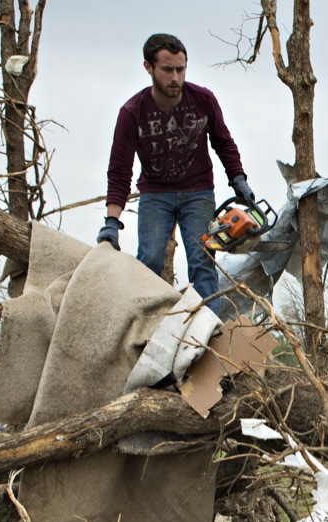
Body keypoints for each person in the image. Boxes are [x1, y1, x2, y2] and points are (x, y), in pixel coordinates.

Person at [99, 33, 254, 314]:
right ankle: (143, 327)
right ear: (149, 67)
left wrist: (238, 178)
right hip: (155, 194)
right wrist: (112, 221)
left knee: (202, 261)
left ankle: (209, 332)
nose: (175, 77)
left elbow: (223, 142)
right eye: (168, 70)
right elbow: (120, 170)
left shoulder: (202, 100)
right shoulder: (133, 112)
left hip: (198, 192)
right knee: (149, 260)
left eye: (181, 69)